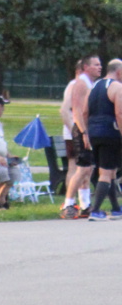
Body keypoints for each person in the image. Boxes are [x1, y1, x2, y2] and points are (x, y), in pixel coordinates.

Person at [78, 57, 122, 218]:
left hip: (94, 133)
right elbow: (119, 113)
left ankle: (116, 209)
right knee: (106, 174)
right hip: (110, 133)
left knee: (109, 171)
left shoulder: (94, 86)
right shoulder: (117, 87)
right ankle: (95, 211)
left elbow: (84, 112)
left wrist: (86, 133)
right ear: (119, 71)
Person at [61, 53, 101, 218]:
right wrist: (83, 132)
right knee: (82, 168)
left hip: (89, 129)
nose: (100, 67)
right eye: (96, 64)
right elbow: (76, 110)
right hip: (81, 130)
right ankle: (68, 204)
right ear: (86, 67)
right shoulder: (80, 83)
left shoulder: (90, 83)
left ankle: (85, 204)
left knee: (88, 169)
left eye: (100, 64)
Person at [59, 60, 84, 200]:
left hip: (78, 132)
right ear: (80, 70)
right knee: (74, 167)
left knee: (81, 167)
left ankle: (78, 200)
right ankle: (70, 200)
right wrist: (75, 130)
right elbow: (64, 110)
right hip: (74, 134)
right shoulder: (74, 85)